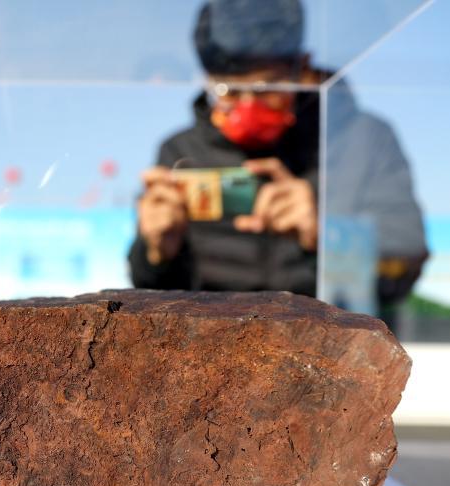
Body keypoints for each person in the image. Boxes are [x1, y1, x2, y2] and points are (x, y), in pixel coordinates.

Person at [129, 0, 427, 321]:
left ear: (302, 69)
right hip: (211, 341)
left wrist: (325, 234)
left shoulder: (362, 140)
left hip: (327, 338)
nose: (247, 108)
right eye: (229, 92)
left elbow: (404, 270)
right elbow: (148, 284)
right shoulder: (180, 152)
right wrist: (156, 252)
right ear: (207, 81)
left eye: (267, 88)